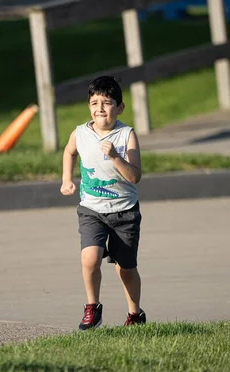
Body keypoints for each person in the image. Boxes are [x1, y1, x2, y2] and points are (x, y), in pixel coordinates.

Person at [60, 75, 146, 330]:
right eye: (94, 102)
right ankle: (92, 307)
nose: (99, 107)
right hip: (92, 210)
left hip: (124, 213)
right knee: (89, 258)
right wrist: (67, 179)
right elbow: (69, 151)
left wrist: (115, 156)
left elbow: (135, 176)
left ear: (120, 107)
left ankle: (135, 314)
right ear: (88, 106)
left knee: (125, 269)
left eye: (107, 102)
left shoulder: (126, 135)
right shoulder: (80, 133)